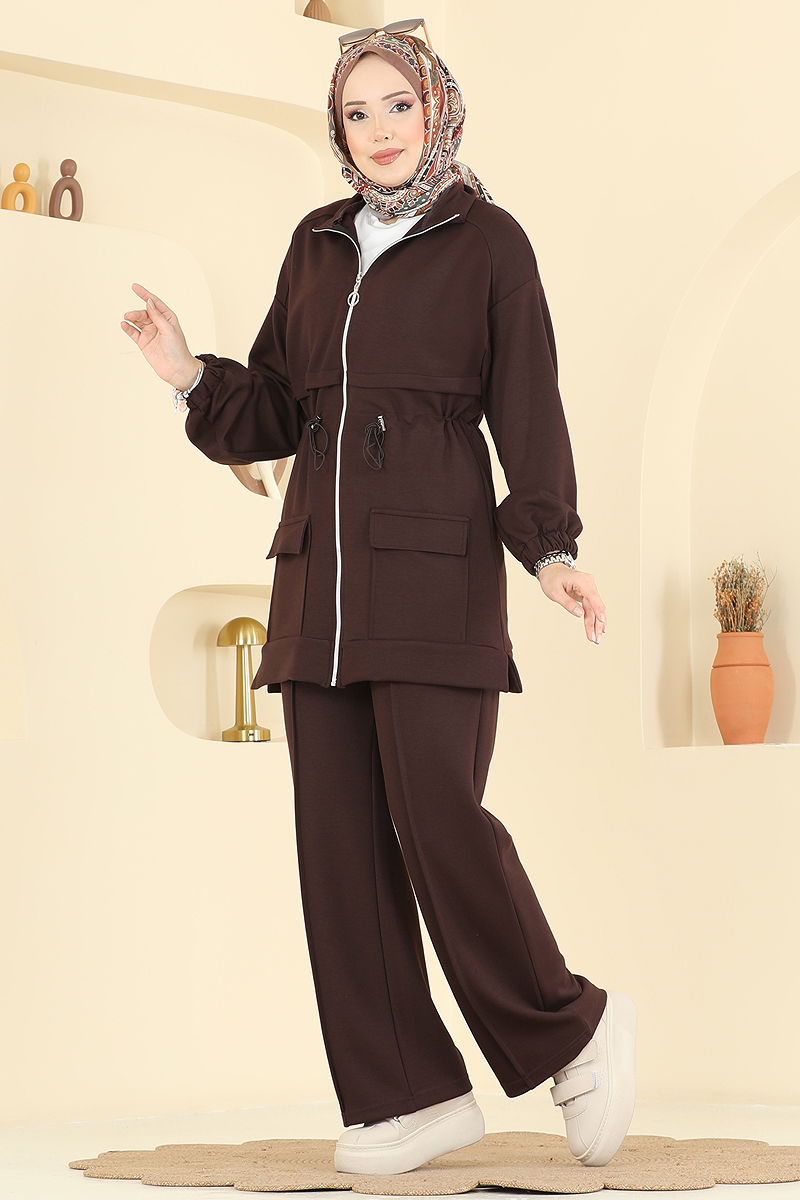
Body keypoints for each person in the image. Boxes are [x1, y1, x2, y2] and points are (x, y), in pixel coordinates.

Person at [120, 19, 636, 1178]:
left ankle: (571, 1028)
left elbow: (527, 404)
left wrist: (548, 548)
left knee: (439, 822)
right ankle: (405, 1095)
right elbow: (274, 409)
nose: (379, 129)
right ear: (338, 129)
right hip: (316, 586)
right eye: (356, 113)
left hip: (433, 577)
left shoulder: (488, 241)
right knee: (337, 848)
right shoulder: (316, 245)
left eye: (397, 105)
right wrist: (187, 374)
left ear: (435, 106)